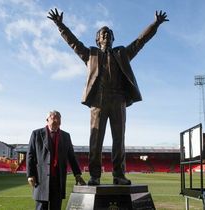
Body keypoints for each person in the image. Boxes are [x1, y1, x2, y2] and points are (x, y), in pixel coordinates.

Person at [48, 8, 168, 186]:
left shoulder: (122, 54)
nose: (106, 35)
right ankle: (95, 175)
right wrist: (60, 24)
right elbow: (73, 43)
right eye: (102, 34)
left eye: (109, 34)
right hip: (98, 100)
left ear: (113, 38)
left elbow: (140, 41)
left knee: (119, 139)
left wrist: (155, 24)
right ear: (97, 39)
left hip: (118, 99)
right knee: (96, 139)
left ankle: (119, 175)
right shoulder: (91, 54)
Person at [27, 110, 86, 210]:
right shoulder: (36, 134)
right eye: (53, 117)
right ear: (47, 120)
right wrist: (30, 175)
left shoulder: (66, 136)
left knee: (56, 207)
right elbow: (30, 155)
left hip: (58, 180)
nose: (56, 120)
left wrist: (77, 174)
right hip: (41, 179)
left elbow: (71, 156)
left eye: (58, 118)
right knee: (41, 208)